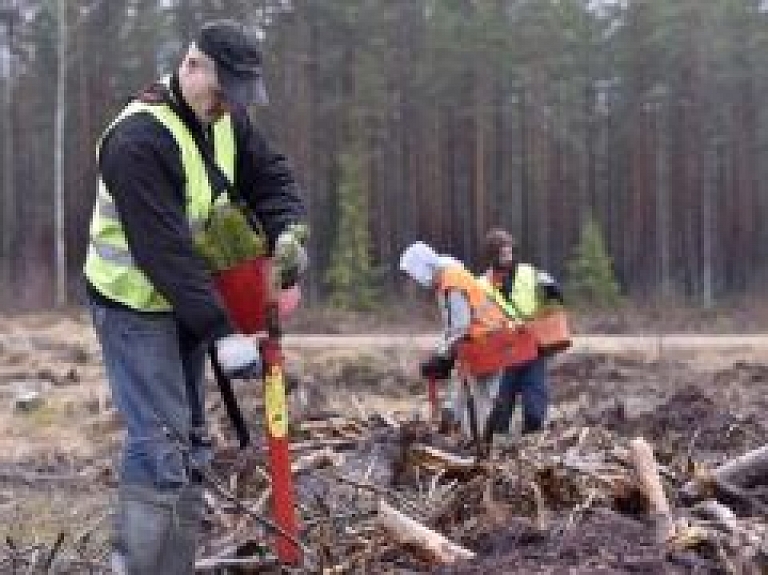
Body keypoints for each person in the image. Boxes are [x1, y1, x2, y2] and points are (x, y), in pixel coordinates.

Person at [83, 20, 307, 574]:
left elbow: (271, 178)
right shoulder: (138, 140)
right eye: (223, 90)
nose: (230, 105)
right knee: (160, 445)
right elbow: (166, 256)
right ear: (192, 67)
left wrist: (285, 233)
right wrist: (223, 331)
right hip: (134, 304)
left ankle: (173, 565)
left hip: (187, 304)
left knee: (193, 445)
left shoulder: (227, 120)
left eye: (239, 96)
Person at [399, 242, 510, 445]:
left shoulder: (451, 283)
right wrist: (441, 354)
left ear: (422, 268)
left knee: (478, 400)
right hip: (488, 339)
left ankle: (477, 448)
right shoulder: (450, 277)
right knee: (471, 397)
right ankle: (473, 441)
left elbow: (460, 325)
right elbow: (453, 327)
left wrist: (443, 358)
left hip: (486, 342)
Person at [480, 228, 562, 436]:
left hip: (533, 350)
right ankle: (498, 455)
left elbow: (553, 303)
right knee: (499, 416)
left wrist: (554, 293)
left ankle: (530, 450)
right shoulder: (481, 285)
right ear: (492, 256)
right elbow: (479, 321)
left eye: (510, 252)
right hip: (504, 354)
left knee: (535, 413)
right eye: (503, 253)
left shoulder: (531, 273)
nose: (508, 257)